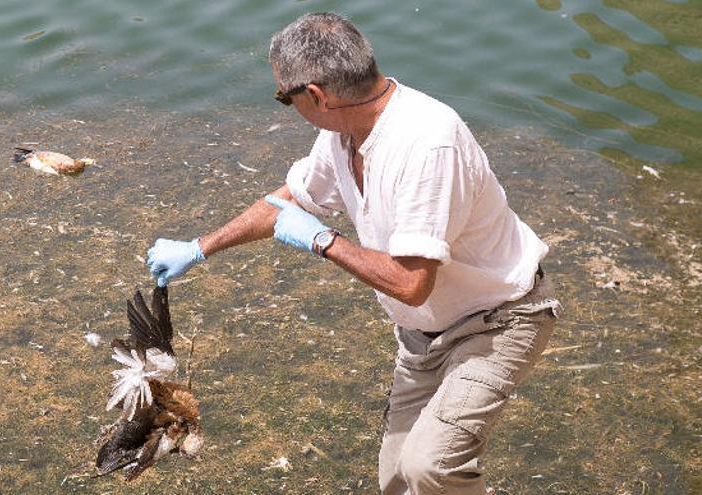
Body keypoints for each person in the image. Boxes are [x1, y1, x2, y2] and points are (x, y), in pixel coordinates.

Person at [145, 12, 561, 495]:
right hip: (423, 333)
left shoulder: (428, 144)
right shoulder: (344, 134)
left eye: (286, 97)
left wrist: (324, 241)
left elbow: (411, 282)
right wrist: (199, 249)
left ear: (317, 95)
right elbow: (284, 204)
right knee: (399, 481)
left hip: (498, 320)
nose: (288, 106)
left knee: (432, 466)